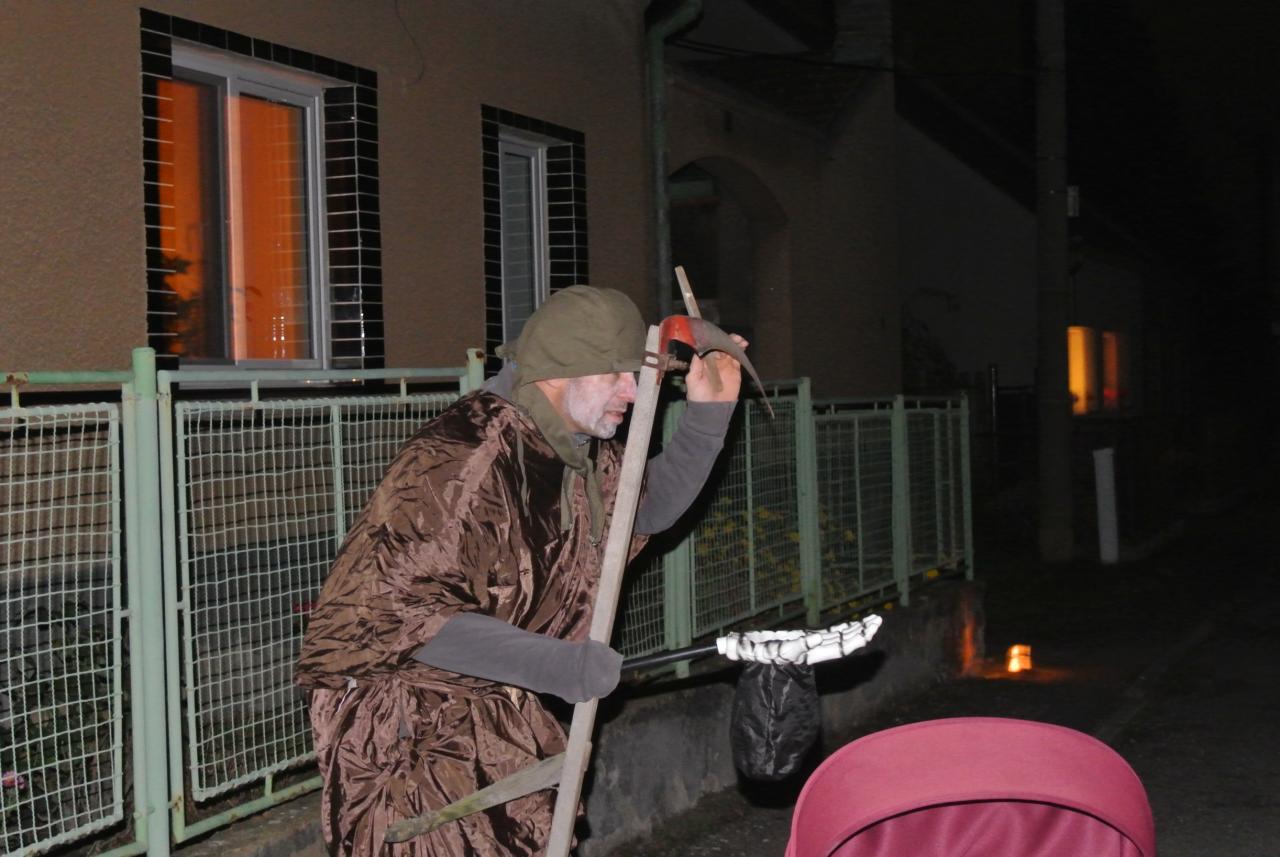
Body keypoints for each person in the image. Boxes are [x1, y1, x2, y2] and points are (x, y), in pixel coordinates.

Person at [295, 286, 748, 856]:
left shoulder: (568, 445)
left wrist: (709, 416)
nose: (633, 392)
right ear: (561, 369)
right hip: (409, 725)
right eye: (616, 374)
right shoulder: (465, 458)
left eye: (636, 374)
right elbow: (398, 615)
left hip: (487, 702)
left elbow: (640, 508)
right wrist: (556, 664)